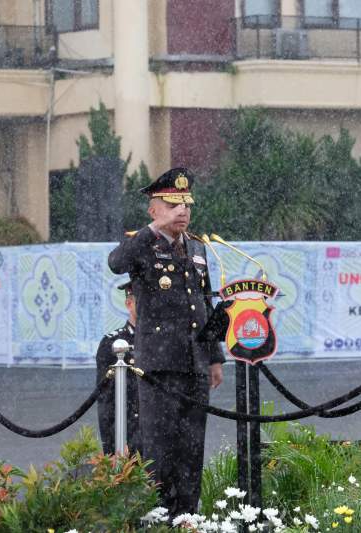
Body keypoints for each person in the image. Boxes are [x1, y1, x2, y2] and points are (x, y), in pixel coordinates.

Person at [108, 167, 225, 518]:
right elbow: (116, 263)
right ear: (153, 209)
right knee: (159, 450)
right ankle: (158, 518)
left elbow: (205, 303)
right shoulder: (142, 244)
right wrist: (152, 232)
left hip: (194, 364)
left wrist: (214, 357)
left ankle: (187, 517)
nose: (182, 211)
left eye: (186, 203)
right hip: (159, 366)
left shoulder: (198, 248)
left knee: (192, 450)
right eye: (172, 204)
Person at [95, 280, 142, 456]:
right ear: (129, 304)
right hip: (130, 432)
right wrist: (112, 447)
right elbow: (106, 401)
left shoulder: (164, 342)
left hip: (159, 430)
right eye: (142, 301)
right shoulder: (112, 343)